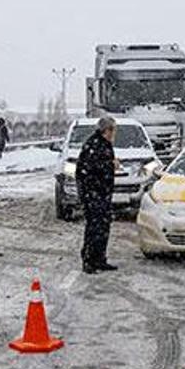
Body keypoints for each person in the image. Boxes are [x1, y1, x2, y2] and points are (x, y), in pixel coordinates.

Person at [76, 116, 119, 274]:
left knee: (103, 226)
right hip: (93, 195)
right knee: (94, 227)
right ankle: (89, 260)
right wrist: (110, 165)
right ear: (107, 130)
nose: (115, 133)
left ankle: (100, 258)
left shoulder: (104, 144)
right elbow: (89, 168)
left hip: (103, 194)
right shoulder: (93, 145)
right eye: (113, 130)